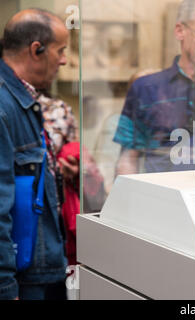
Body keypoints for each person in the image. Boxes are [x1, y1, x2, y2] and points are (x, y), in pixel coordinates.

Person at [113, 0, 195, 175]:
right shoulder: (146, 88)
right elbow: (129, 158)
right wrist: (127, 199)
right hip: (160, 197)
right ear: (180, 30)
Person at [0, 9, 69, 300]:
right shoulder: (5, 106)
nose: (64, 60)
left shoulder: (23, 98)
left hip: (39, 266)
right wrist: (5, 285)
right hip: (24, 279)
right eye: (61, 50)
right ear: (36, 50)